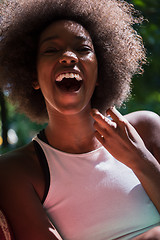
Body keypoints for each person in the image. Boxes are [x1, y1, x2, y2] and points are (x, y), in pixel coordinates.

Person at [0, 0, 160, 239]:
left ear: (100, 71)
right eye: (51, 50)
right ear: (33, 76)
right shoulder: (15, 170)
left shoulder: (145, 129)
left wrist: (141, 160)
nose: (67, 56)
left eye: (83, 49)